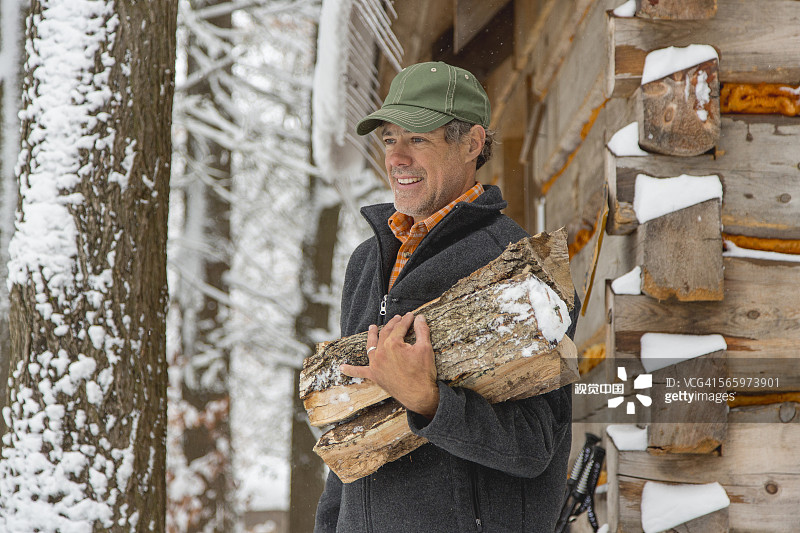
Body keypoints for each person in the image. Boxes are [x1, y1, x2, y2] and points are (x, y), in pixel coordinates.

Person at [313, 61, 580, 533]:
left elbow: (536, 445)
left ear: (472, 144)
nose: (396, 157)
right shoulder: (365, 264)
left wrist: (431, 401)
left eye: (418, 139)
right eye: (390, 139)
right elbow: (350, 434)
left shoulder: (518, 269)